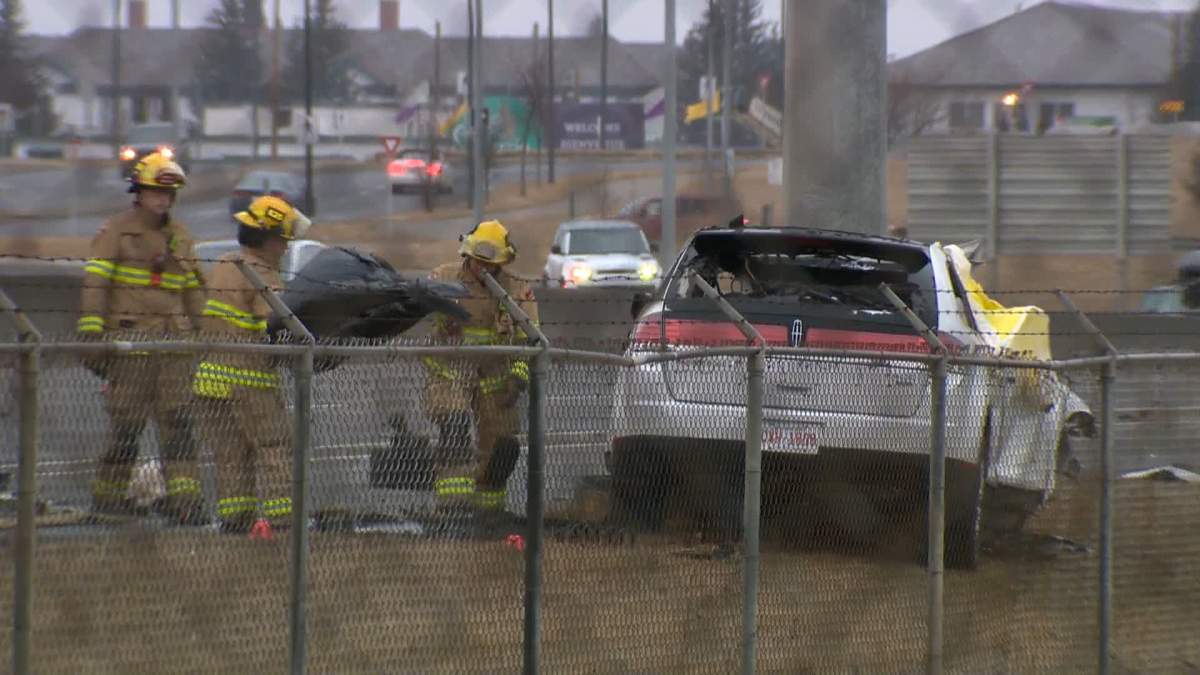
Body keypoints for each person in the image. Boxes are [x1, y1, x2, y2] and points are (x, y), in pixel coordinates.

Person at [78, 151, 207, 524]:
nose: (162, 200)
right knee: (126, 428)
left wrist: (207, 334)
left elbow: (194, 291)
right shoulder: (116, 232)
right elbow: (95, 286)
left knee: (179, 427)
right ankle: (108, 501)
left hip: (174, 349)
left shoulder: (180, 236)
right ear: (138, 192)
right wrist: (92, 334)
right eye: (155, 192)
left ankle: (186, 502)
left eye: (167, 194)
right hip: (130, 347)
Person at [192, 195, 311, 534]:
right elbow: (274, 326)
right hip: (249, 382)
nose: (286, 247)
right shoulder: (261, 274)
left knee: (230, 456)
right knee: (273, 448)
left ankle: (235, 520)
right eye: (283, 240)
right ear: (268, 239)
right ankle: (283, 520)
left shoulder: (225, 264)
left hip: (209, 381)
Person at [422, 220, 539, 534]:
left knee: (502, 448)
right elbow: (419, 312)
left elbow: (530, 340)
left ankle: (489, 512)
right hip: (450, 373)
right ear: (467, 255)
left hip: (496, 379)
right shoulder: (443, 279)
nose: (483, 269)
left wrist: (517, 378)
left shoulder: (517, 290)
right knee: (455, 427)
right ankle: (452, 510)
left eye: (491, 264)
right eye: (478, 262)